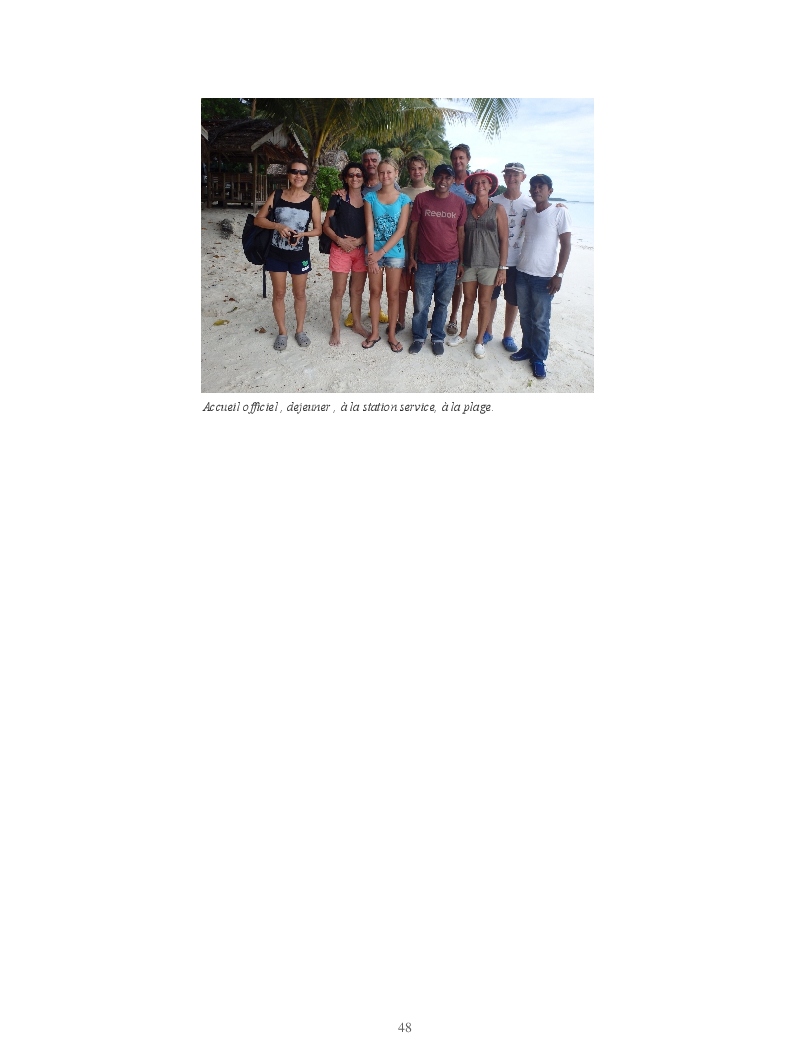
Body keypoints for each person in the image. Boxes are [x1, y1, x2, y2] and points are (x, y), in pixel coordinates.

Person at [254, 158, 322, 351]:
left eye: (303, 172)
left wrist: (303, 234)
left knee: (299, 294)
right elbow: (258, 220)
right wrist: (278, 226)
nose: (298, 176)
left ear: (307, 176)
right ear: (288, 174)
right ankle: (282, 332)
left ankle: (300, 330)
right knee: (279, 293)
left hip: (300, 255)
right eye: (295, 171)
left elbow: (318, 230)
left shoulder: (312, 201)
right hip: (276, 253)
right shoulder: (277, 195)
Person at [511, 173, 572, 379]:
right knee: (525, 316)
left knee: (540, 321)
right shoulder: (529, 213)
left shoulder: (559, 212)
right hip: (522, 272)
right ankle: (527, 348)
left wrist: (559, 274)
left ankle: (538, 358)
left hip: (544, 277)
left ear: (550, 191)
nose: (537, 190)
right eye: (534, 187)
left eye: (541, 187)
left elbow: (566, 245)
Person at [446, 170, 508, 358]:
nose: (480, 185)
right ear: (472, 188)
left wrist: (502, 268)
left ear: (490, 186)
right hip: (469, 262)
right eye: (476, 183)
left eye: (483, 182)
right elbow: (461, 236)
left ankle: (480, 340)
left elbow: (504, 240)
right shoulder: (466, 208)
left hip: (490, 264)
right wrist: (460, 261)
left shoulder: (498, 209)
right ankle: (463, 334)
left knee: (484, 302)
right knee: (468, 300)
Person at [406, 164, 466, 356]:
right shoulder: (422, 199)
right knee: (421, 304)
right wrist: (411, 257)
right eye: (439, 176)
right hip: (425, 262)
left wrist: (461, 261)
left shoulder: (459, 203)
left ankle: (437, 337)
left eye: (447, 178)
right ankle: (418, 337)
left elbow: (461, 232)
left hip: (450, 263)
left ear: (452, 181)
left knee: (442, 303)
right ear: (433, 178)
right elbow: (413, 228)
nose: (443, 181)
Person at [362, 158, 412, 351]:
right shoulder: (370, 198)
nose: (385, 176)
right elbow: (369, 227)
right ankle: (374, 332)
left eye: (389, 172)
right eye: (382, 172)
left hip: (395, 252)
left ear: (396, 173)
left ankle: (391, 334)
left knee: (393, 293)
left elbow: (401, 230)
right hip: (373, 250)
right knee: (374, 291)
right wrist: (372, 255)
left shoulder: (403, 199)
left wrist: (380, 253)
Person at [343, 148, 391, 329]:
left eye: (373, 160)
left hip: (380, 242)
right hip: (357, 240)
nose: (370, 163)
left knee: (377, 278)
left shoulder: (388, 184)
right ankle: (352, 310)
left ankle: (375, 309)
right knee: (356, 279)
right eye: (366, 160)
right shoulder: (358, 183)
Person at [323, 161, 369, 345]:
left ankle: (357, 324)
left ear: (363, 178)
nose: (355, 178)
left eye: (358, 175)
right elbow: (326, 226)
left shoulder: (369, 199)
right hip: (340, 249)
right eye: (351, 175)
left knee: (357, 290)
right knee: (338, 291)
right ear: (345, 178)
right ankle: (335, 328)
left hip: (361, 250)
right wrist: (340, 241)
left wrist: (359, 241)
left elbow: (372, 227)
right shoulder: (338, 198)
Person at [397, 154, 432, 333]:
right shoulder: (401, 193)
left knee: (422, 288)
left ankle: (419, 320)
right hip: (402, 244)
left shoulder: (433, 192)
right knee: (401, 287)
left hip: (425, 246)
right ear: (408, 171)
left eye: (420, 168)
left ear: (426, 169)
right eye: (413, 168)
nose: (417, 171)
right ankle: (400, 319)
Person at [445, 144, 476, 337]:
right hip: (448, 237)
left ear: (468, 159)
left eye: (461, 157)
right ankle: (441, 314)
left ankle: (453, 318)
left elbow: (492, 202)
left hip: (470, 237)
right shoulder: (447, 181)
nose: (458, 161)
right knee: (447, 281)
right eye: (455, 158)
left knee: (460, 280)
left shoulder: (474, 183)